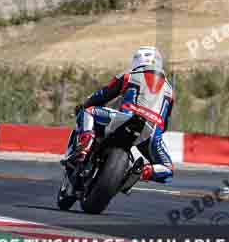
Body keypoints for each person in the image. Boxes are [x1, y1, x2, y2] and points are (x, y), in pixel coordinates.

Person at [64, 46, 175, 185]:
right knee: (168, 169)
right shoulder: (170, 91)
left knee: (89, 111)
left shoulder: (129, 75)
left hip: (126, 119)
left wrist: (85, 104)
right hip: (152, 132)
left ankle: (85, 145)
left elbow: (103, 94)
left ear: (137, 61)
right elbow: (165, 122)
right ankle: (142, 171)